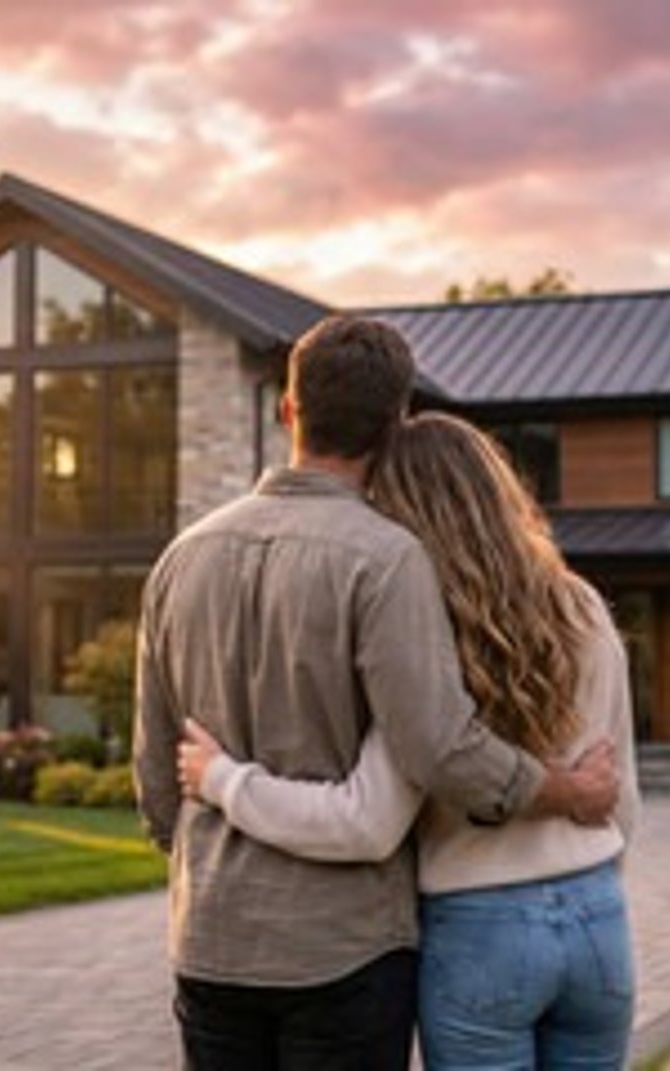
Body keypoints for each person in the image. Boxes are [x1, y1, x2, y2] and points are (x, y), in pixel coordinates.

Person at [133, 316, 620, 1071]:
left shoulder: (179, 559)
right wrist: (564, 791)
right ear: (396, 423)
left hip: (211, 940)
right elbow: (439, 746)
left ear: (286, 409)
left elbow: (156, 777)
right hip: (345, 948)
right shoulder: (387, 559)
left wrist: (210, 860)